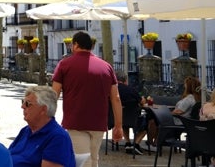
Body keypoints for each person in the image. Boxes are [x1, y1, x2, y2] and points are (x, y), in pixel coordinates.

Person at [52, 31, 122, 167]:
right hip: (99, 122)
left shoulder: (64, 65)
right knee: (93, 159)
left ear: (76, 45)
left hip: (75, 121)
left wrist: (49, 119)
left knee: (82, 161)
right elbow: (116, 98)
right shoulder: (106, 67)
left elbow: (54, 94)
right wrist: (118, 125)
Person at [9, 86, 76, 167]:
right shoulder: (26, 130)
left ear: (43, 110)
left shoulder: (58, 137)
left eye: (27, 103)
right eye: (23, 102)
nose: (22, 106)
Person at [115, 71, 147, 155]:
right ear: (125, 80)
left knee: (125, 122)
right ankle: (136, 144)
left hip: (116, 119)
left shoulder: (112, 90)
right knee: (148, 122)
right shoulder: (131, 90)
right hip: (133, 118)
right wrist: (143, 99)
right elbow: (142, 102)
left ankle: (128, 143)